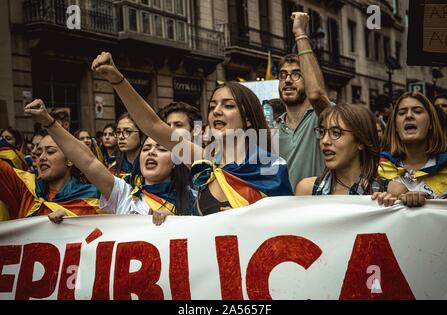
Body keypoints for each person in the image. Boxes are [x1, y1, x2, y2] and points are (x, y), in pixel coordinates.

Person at [90, 53, 293, 216]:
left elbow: (287, 226)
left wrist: (247, 220)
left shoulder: (271, 167)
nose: (217, 111)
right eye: (212, 107)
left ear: (248, 118)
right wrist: (117, 80)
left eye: (228, 106)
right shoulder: (204, 163)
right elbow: (152, 125)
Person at [24, 100, 195, 225]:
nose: (151, 152)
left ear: (175, 161)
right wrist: (49, 122)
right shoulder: (124, 193)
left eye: (161, 149)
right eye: (146, 148)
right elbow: (88, 162)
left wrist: (175, 224)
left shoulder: (194, 198)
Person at [276, 12, 331, 190]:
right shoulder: (272, 128)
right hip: (282, 214)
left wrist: (300, 33)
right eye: (283, 75)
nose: (288, 80)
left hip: (318, 210)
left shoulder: (323, 117)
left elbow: (315, 94)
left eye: (297, 74)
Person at [295, 104, 393, 201]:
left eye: (336, 132)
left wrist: (403, 203)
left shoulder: (390, 191)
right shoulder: (306, 191)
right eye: (322, 132)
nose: (324, 141)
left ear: (360, 141)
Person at [0, 131, 104, 220]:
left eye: (50, 152)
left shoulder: (93, 196)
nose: (42, 157)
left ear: (69, 160)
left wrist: (73, 222)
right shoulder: (25, 189)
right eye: (39, 153)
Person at [379, 92, 447, 201]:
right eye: (402, 113)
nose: (409, 116)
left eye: (417, 111)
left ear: (431, 123)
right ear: (396, 127)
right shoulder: (379, 167)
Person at [110, 113, 145, 179]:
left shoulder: (149, 165)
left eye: (127, 132)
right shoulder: (113, 167)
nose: (120, 137)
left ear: (141, 134)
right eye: (118, 132)